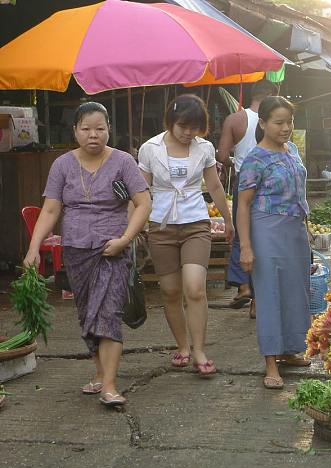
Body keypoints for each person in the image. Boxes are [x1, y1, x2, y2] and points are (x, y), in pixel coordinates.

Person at [24, 102, 151, 407]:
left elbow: (144, 203)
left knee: (108, 313)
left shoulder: (123, 161)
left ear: (109, 129)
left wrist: (125, 239)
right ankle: (99, 372)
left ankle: (109, 385)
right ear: (75, 131)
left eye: (100, 128)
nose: (94, 135)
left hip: (113, 249)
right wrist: (33, 248)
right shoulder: (62, 165)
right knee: (88, 314)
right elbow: (51, 209)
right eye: (86, 129)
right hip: (76, 250)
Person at [139, 94, 233, 377]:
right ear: (171, 121)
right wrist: (134, 226)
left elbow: (215, 187)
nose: (188, 132)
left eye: (194, 127)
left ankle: (200, 350)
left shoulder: (204, 148)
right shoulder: (150, 149)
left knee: (195, 288)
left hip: (195, 223)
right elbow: (141, 192)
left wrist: (227, 220)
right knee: (169, 291)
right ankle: (182, 346)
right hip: (160, 225)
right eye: (183, 126)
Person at [236, 96, 312, 390]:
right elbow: (243, 205)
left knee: (296, 290)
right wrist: (246, 246)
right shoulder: (254, 160)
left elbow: (299, 193)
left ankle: (292, 349)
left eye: (289, 122)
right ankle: (270, 362)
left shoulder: (292, 150)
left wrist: (305, 227)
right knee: (269, 293)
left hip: (294, 230)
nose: (285, 128)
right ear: (263, 123)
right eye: (278, 122)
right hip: (266, 230)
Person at [217, 80, 278, 312]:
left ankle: (243, 286)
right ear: (271, 95)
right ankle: (256, 303)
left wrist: (235, 161)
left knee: (243, 234)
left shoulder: (235, 119)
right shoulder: (273, 121)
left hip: (244, 180)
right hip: (270, 183)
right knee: (263, 237)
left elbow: (222, 155)